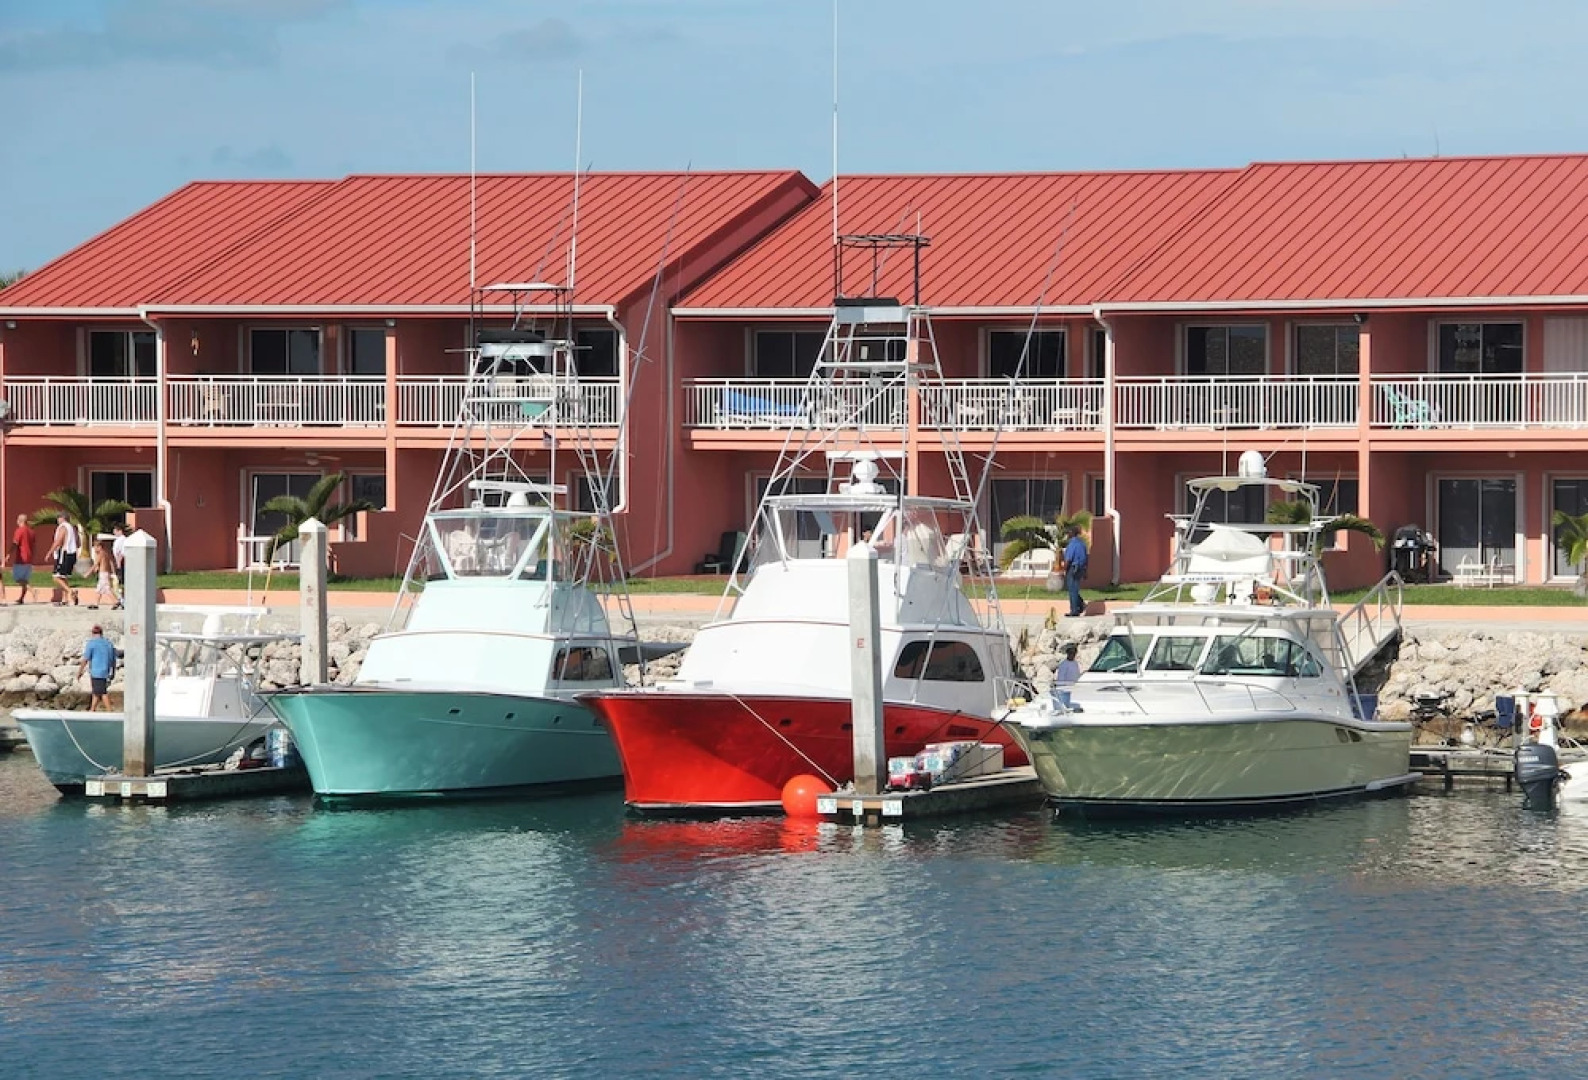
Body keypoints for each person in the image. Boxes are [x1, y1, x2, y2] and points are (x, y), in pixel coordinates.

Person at [78, 624, 117, 712]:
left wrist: (79, 672)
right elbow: (113, 659)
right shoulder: (108, 643)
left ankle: (109, 711)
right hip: (105, 671)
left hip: (96, 671)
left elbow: (85, 659)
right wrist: (113, 672)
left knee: (102, 692)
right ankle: (92, 710)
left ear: (92, 633)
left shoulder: (91, 644)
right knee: (96, 691)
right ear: (101, 633)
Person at [45, 513, 80, 606]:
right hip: (72, 553)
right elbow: (78, 542)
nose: (57, 520)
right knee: (63, 577)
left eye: (58, 518)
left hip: (64, 553)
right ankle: (66, 599)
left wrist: (49, 552)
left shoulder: (63, 527)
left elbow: (58, 541)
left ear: (62, 518)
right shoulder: (73, 528)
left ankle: (70, 591)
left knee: (56, 577)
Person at [1061, 525, 1089, 618]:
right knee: (1075, 588)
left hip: (1073, 568)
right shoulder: (1082, 544)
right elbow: (1086, 557)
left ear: (1071, 534)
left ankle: (1075, 610)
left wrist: (1064, 569)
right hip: (1081, 568)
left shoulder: (1072, 544)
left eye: (1068, 533)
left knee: (1072, 589)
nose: (1067, 535)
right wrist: (1085, 571)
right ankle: (1080, 605)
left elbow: (1068, 559)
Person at [8, 513, 33, 605]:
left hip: (21, 558)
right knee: (24, 578)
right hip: (29, 558)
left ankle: (32, 590)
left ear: (20, 521)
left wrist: (9, 554)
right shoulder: (31, 531)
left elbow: (15, 543)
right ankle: (21, 598)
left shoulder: (19, 531)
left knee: (17, 578)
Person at [90, 537, 118, 610]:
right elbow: (110, 562)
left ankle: (116, 601)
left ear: (99, 547)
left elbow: (95, 564)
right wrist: (113, 571)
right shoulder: (106, 553)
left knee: (106, 589)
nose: (95, 549)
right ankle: (96, 603)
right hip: (106, 572)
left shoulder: (100, 554)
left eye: (95, 547)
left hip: (103, 573)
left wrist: (88, 573)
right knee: (99, 589)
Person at [111, 523, 128, 609]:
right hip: (119, 561)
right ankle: (121, 600)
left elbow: (121, 553)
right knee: (118, 582)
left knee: (120, 582)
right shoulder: (119, 539)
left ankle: (122, 600)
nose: (114, 532)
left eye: (115, 530)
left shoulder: (122, 540)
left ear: (119, 531)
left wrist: (118, 563)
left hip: (121, 562)